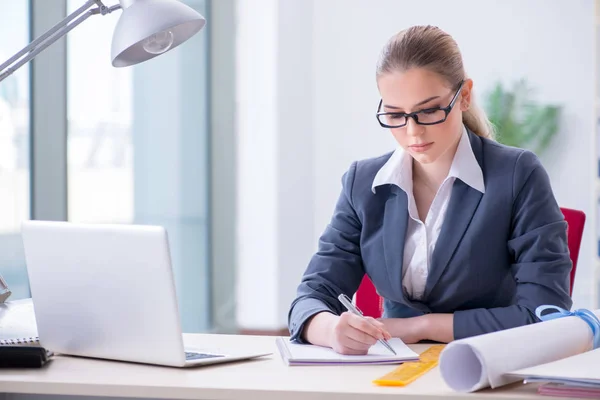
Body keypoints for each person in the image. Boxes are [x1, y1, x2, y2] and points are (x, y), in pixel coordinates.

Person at [287, 25, 572, 355]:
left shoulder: (517, 174)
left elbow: (545, 312)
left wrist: (420, 326)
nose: (413, 132)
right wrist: (328, 328)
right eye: (395, 114)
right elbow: (310, 296)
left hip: (488, 366)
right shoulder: (363, 183)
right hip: (393, 369)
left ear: (463, 96)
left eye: (429, 111)